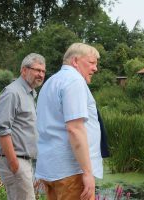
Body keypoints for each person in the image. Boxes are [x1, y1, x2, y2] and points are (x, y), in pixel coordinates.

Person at [35, 43, 103, 200]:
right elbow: (75, 129)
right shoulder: (74, 81)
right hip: (71, 171)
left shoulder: (50, 82)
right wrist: (87, 172)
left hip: (51, 168)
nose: (95, 69)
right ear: (75, 61)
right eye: (91, 63)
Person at [0, 53, 46, 200]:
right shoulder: (12, 92)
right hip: (15, 160)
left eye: (43, 71)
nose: (40, 74)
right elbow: (2, 129)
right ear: (24, 70)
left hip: (23, 160)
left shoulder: (29, 93)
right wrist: (14, 163)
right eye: (37, 70)